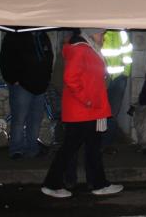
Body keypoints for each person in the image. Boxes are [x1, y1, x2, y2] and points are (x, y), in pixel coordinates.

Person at [41, 28, 123, 198]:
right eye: (101, 34)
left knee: (91, 148)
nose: (103, 37)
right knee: (71, 148)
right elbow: (71, 78)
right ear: (92, 33)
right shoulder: (81, 49)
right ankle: (52, 184)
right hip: (83, 110)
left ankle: (98, 183)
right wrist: (88, 99)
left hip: (89, 109)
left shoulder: (87, 48)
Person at [0, 29, 54, 159]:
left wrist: (47, 78)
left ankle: (32, 148)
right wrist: (13, 79)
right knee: (19, 119)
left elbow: (49, 57)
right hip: (22, 86)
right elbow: (5, 59)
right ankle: (16, 150)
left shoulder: (42, 36)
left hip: (40, 85)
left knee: (35, 120)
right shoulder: (15, 35)